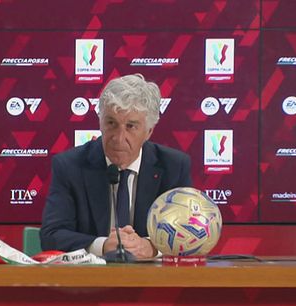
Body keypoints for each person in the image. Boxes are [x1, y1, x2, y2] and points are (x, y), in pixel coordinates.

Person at [40, 73, 191, 259]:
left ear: (149, 131)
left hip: (153, 276)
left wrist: (152, 247)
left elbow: (188, 234)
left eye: (131, 126)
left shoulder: (174, 167)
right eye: (111, 123)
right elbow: (51, 235)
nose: (119, 138)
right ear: (100, 122)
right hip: (89, 276)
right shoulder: (70, 166)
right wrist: (102, 245)